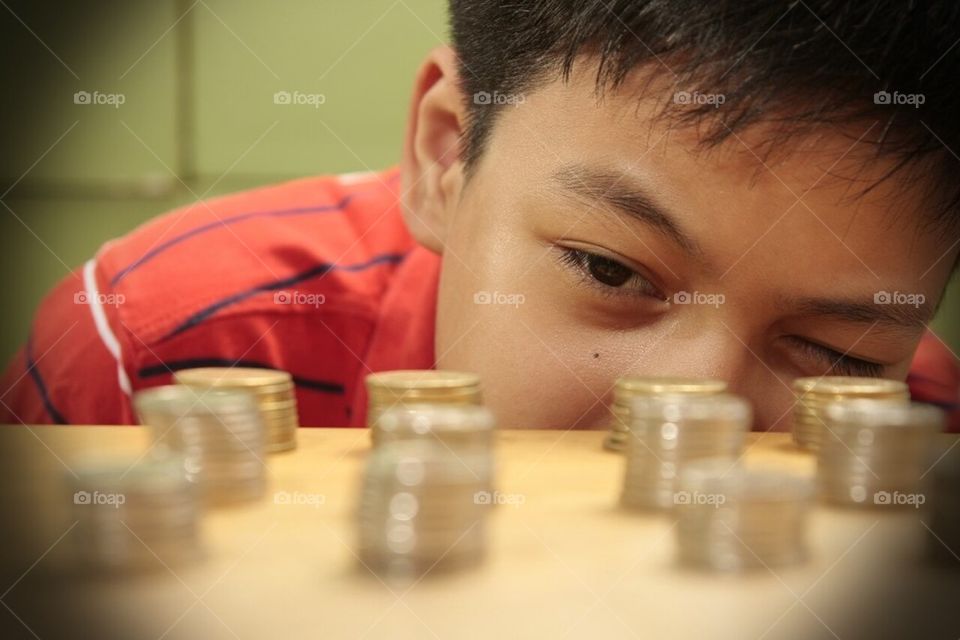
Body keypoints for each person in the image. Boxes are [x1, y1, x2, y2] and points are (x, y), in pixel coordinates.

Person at [3, 0, 958, 430]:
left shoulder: (928, 432)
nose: (693, 409)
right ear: (446, 157)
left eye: (836, 355)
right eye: (609, 270)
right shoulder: (152, 360)